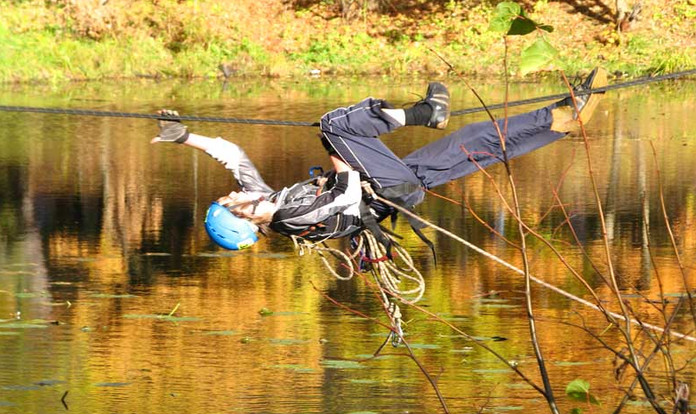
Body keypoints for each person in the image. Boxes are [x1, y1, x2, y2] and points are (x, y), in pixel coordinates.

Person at [151, 68, 608, 250]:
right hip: (386, 190)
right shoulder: (291, 218)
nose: (230, 194)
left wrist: (184, 137)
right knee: (335, 127)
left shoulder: (265, 198)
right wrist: (338, 156)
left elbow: (233, 156)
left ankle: (562, 118)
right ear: (243, 217)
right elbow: (346, 191)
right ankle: (425, 114)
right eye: (229, 201)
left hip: (402, 186)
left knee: (475, 141)